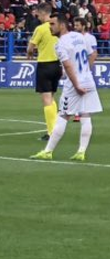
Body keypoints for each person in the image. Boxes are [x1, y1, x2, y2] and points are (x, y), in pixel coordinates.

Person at [31, 12, 101, 162]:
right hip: (88, 79)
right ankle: (81, 152)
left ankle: (48, 151)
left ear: (61, 25)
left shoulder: (60, 44)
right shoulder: (79, 37)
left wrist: (76, 84)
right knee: (85, 114)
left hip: (75, 83)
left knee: (63, 115)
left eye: (52, 24)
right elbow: (90, 54)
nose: (50, 27)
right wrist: (83, 73)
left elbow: (69, 66)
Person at [26, 3, 60, 141]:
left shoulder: (40, 28)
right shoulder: (57, 27)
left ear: (43, 13)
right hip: (57, 65)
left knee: (46, 99)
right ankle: (56, 128)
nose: (37, 16)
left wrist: (29, 53)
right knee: (51, 97)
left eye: (38, 14)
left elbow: (31, 47)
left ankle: (51, 132)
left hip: (45, 65)